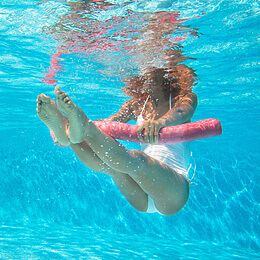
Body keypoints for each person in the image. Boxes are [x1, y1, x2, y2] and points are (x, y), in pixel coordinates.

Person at [36, 65, 197, 216]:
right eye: (145, 74)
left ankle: (79, 127)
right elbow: (109, 123)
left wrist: (160, 123)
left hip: (173, 191)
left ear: (167, 76)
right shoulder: (138, 104)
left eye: (152, 73)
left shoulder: (182, 98)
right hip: (140, 193)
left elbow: (183, 111)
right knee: (112, 166)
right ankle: (68, 133)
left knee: (136, 158)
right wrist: (81, 131)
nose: (147, 76)